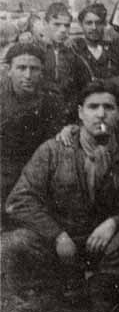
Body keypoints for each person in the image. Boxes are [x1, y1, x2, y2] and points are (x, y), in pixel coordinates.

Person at [2, 81, 119, 312]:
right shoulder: (53, 150)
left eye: (108, 107)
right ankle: (45, 293)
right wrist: (56, 235)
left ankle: (101, 293)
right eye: (93, 107)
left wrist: (115, 222)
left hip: (105, 246)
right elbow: (19, 200)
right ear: (80, 113)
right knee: (15, 242)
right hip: (61, 246)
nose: (101, 114)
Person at [0, 44, 64, 203]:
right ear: (9, 70)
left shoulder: (51, 101)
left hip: (38, 170)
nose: (28, 75)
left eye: (34, 69)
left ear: (42, 72)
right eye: (21, 68)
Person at [38, 2, 88, 109]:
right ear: (45, 24)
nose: (63, 30)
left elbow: (84, 82)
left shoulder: (74, 50)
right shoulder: (36, 48)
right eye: (57, 24)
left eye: (67, 25)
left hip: (68, 107)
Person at [71, 3, 119, 89]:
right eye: (89, 23)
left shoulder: (114, 49)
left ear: (104, 24)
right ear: (81, 24)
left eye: (98, 23)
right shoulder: (74, 49)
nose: (94, 27)